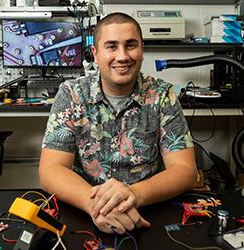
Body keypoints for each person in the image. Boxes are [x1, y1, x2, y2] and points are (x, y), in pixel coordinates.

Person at [39, 12, 197, 235]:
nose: (122, 56)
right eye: (111, 46)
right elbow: (50, 169)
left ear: (142, 49)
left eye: (130, 45)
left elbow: (185, 170)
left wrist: (135, 194)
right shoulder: (72, 93)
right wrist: (96, 206)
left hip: (148, 212)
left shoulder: (162, 95)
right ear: (95, 54)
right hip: (85, 212)